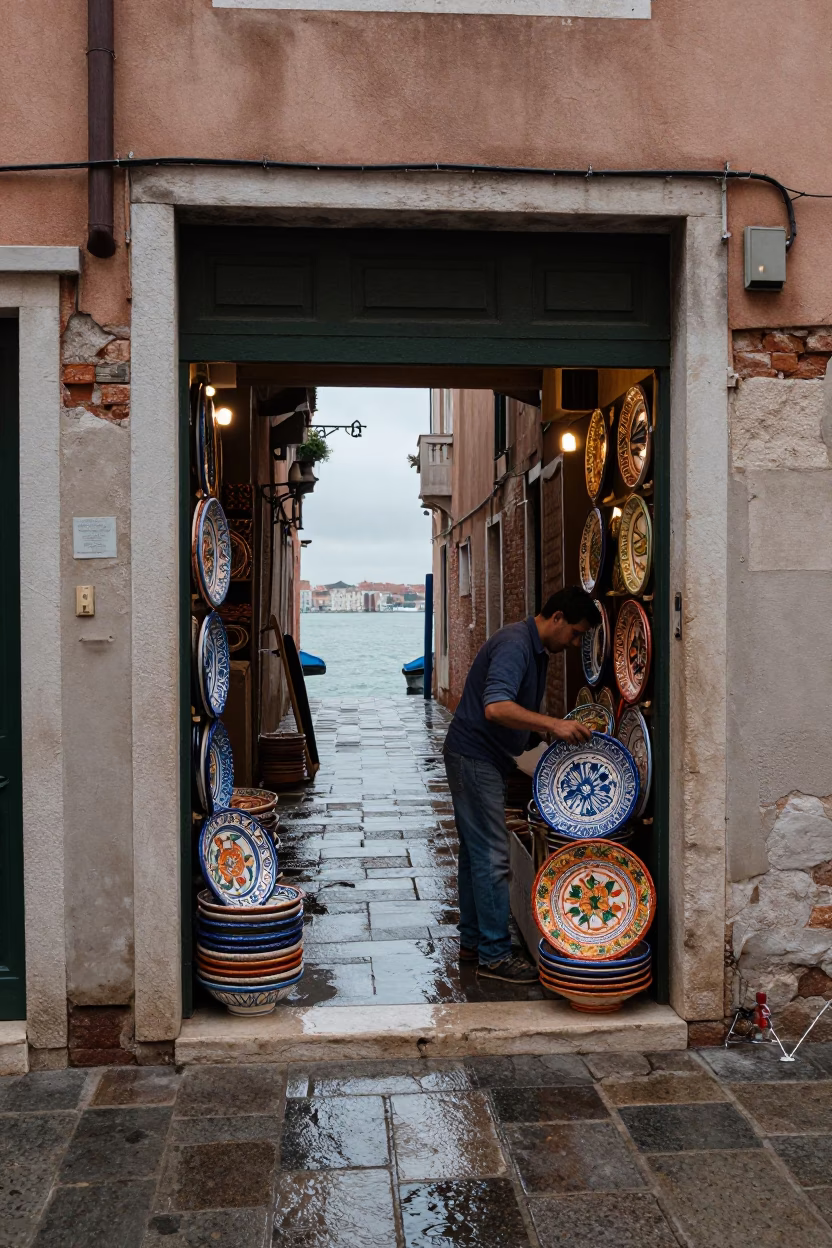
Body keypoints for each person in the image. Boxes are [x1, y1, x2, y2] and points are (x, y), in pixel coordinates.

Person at [443, 586, 601, 983]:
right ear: (558, 617)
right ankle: (494, 956)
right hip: (475, 757)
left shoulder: (533, 648)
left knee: (476, 854)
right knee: (494, 855)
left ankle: (474, 942)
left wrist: (541, 737)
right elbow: (496, 707)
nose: (576, 642)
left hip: (481, 757)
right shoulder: (516, 644)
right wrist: (552, 725)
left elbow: (513, 714)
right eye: (577, 633)